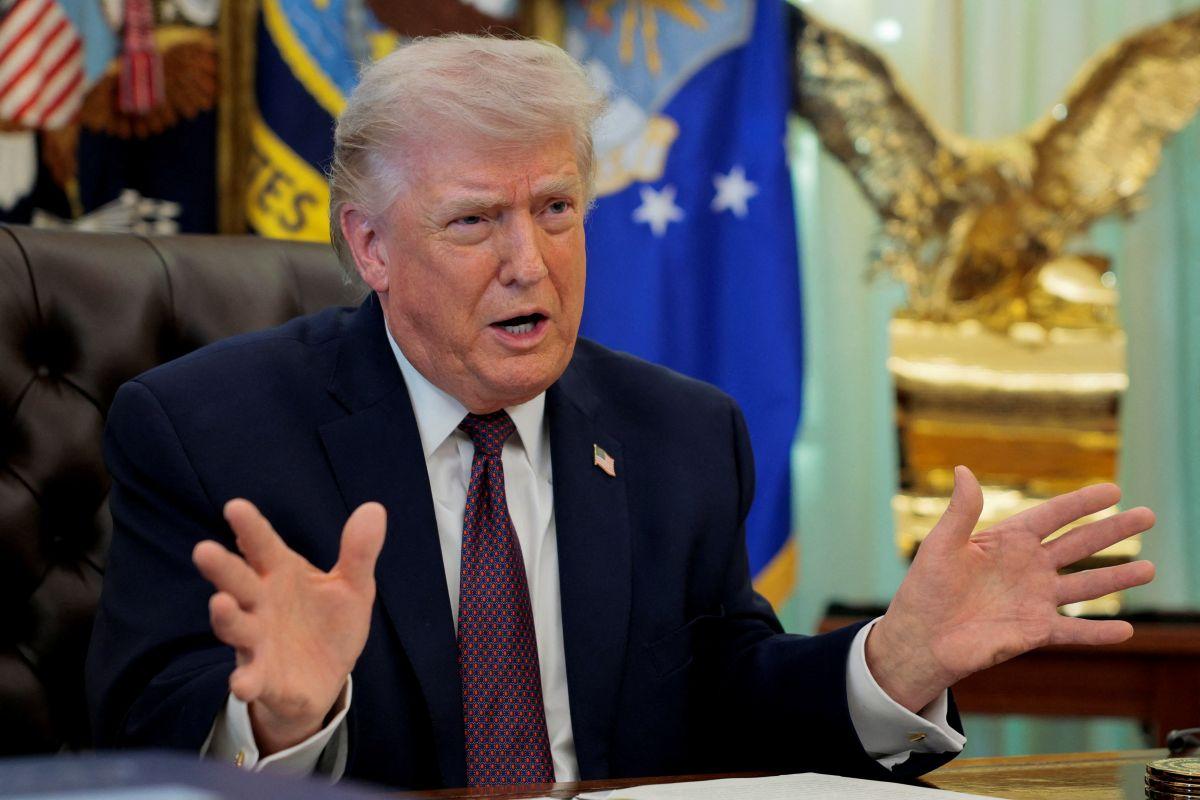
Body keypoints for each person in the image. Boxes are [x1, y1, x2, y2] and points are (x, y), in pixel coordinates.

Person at [85, 34, 1156, 790]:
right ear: (370, 246)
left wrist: (895, 661)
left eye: (556, 208)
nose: (529, 261)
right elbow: (130, 735)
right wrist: (285, 717)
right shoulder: (206, 429)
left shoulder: (678, 434)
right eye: (475, 221)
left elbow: (728, 698)